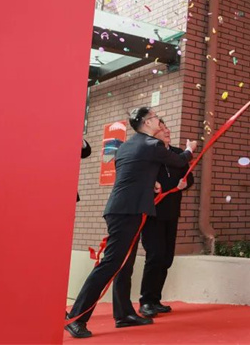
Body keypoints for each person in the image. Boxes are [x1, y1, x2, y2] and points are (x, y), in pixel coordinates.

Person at [65, 107, 197, 339]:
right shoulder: (152, 145)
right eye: (155, 118)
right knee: (110, 264)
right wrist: (189, 149)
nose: (159, 121)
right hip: (128, 212)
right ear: (146, 123)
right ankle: (77, 318)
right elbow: (178, 161)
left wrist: (150, 185)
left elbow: (131, 174)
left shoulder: (126, 146)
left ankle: (124, 314)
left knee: (123, 264)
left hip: (122, 209)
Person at [139, 119, 195, 317]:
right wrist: (160, 184)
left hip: (172, 212)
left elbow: (189, 177)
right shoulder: (150, 154)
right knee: (154, 255)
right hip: (152, 213)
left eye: (167, 128)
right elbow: (143, 179)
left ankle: (155, 299)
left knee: (166, 257)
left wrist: (184, 184)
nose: (167, 131)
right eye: (162, 128)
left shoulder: (178, 154)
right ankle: (146, 300)